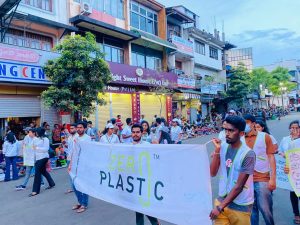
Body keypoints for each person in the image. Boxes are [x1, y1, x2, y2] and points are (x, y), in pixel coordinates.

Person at [209, 116, 256, 225]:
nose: (227, 133)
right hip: (221, 200)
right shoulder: (223, 146)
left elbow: (239, 186)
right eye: (225, 129)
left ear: (241, 134)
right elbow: (213, 172)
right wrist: (217, 150)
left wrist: (220, 207)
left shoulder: (248, 154)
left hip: (240, 206)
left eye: (231, 130)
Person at [243, 114, 276, 225]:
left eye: (247, 122)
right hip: (246, 181)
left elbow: (271, 157)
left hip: (262, 178)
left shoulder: (265, 137)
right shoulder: (240, 139)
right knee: (251, 211)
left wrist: (273, 179)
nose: (245, 125)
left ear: (253, 123)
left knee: (266, 210)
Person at [129, 124, 160, 225]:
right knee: (138, 209)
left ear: (142, 133)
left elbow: (157, 159)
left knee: (146, 207)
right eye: (133, 132)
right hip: (133, 183)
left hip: (146, 182)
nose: (135, 134)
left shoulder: (147, 145)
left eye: (138, 132)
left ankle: (155, 222)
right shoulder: (126, 147)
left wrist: (157, 148)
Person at [279, 120, 300, 224]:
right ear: (289, 129)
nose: (294, 130)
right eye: (292, 128)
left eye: (297, 128)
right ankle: (296, 214)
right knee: (294, 193)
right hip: (290, 171)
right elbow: (279, 151)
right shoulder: (285, 139)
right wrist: (282, 154)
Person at [29, 127, 55, 197]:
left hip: (44, 157)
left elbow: (46, 149)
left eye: (36, 132)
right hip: (37, 158)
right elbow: (31, 147)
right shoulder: (36, 139)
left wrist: (36, 148)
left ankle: (35, 191)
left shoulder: (45, 139)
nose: (35, 133)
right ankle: (52, 183)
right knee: (43, 171)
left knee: (37, 173)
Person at [72, 121, 91, 213]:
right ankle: (80, 202)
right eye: (78, 127)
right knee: (74, 184)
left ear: (85, 128)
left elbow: (88, 152)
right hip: (75, 164)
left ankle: (84, 204)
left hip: (84, 165)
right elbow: (74, 151)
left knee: (83, 185)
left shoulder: (87, 138)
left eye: (81, 127)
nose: (79, 129)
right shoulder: (75, 137)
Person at [63, 123, 78, 194]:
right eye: (70, 129)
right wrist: (65, 146)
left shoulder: (78, 137)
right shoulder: (69, 137)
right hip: (69, 157)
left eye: (72, 128)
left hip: (76, 158)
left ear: (76, 129)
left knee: (76, 173)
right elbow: (69, 147)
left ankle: (77, 187)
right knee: (70, 173)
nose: (71, 130)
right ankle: (73, 187)